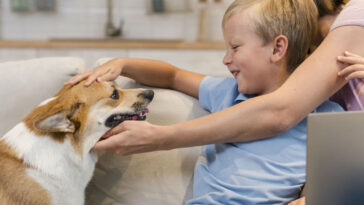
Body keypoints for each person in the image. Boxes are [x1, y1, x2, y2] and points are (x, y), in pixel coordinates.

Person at [66, 0, 364, 203]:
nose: (225, 59)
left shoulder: (327, 117)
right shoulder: (227, 92)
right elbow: (172, 75)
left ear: (278, 48)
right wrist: (123, 63)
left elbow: (329, 187)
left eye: (235, 47)